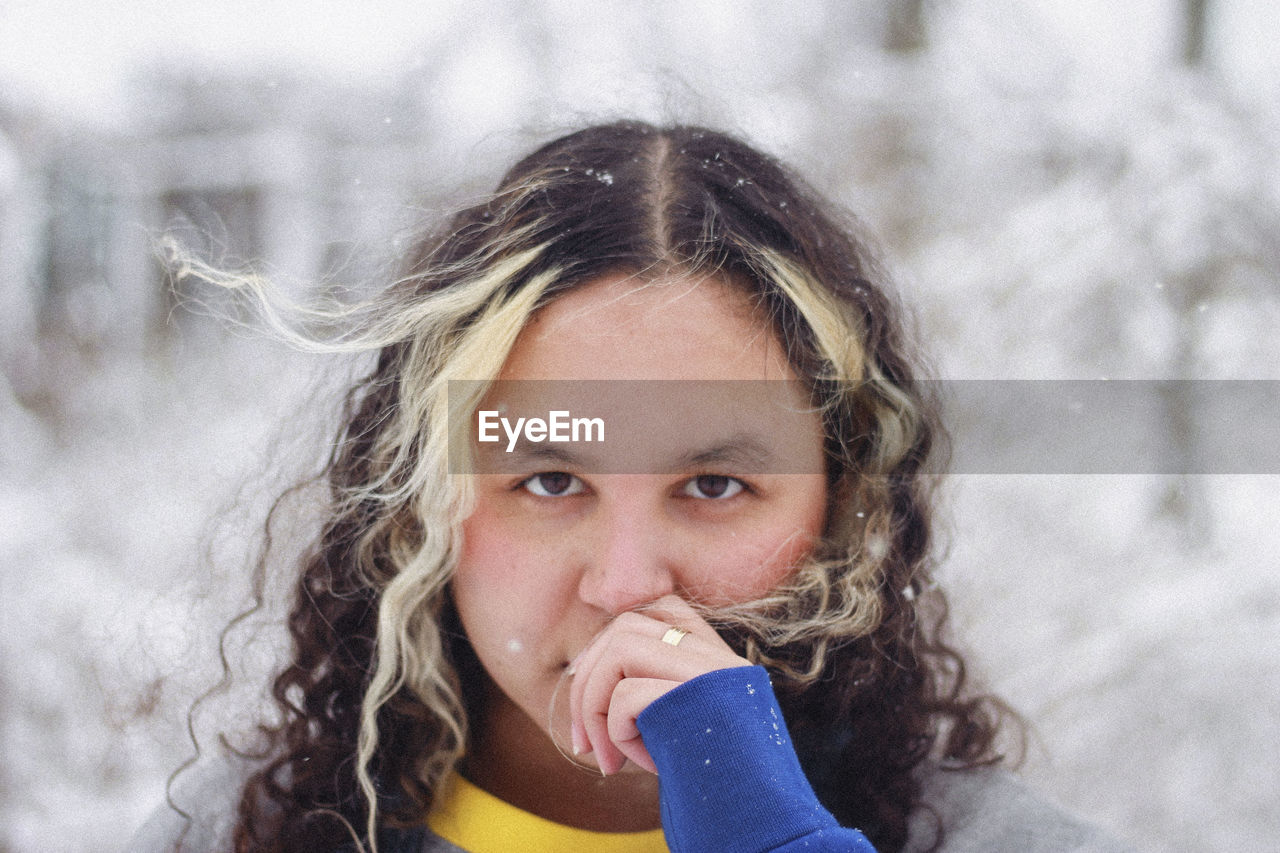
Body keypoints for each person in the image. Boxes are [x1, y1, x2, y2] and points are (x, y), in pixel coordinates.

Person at [132, 121, 1131, 853]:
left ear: (840, 510)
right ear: (419, 501)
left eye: (712, 483)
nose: (623, 583)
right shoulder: (231, 836)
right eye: (551, 476)